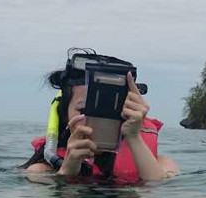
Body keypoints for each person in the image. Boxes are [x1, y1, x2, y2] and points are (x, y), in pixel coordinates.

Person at [23, 49, 179, 182]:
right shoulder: (42, 171)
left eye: (114, 110)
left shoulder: (162, 165)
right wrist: (67, 172)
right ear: (65, 114)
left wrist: (133, 137)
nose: (99, 118)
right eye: (83, 110)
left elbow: (160, 194)